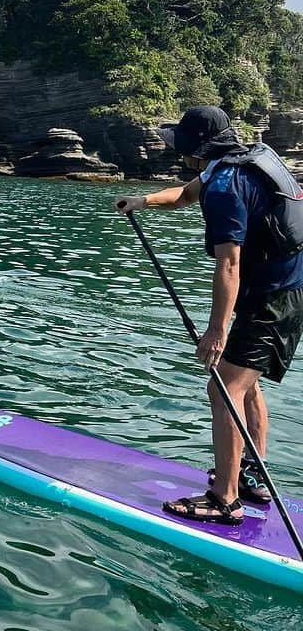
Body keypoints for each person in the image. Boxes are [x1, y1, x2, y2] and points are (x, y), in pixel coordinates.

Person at [115, 105, 303, 525]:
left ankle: (225, 499)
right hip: (286, 290)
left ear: (194, 148)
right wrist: (141, 201)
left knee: (222, 391)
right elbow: (183, 194)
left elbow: (229, 265)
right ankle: (252, 475)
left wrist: (216, 330)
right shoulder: (244, 160)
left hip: (272, 299)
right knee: (246, 386)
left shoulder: (225, 186)